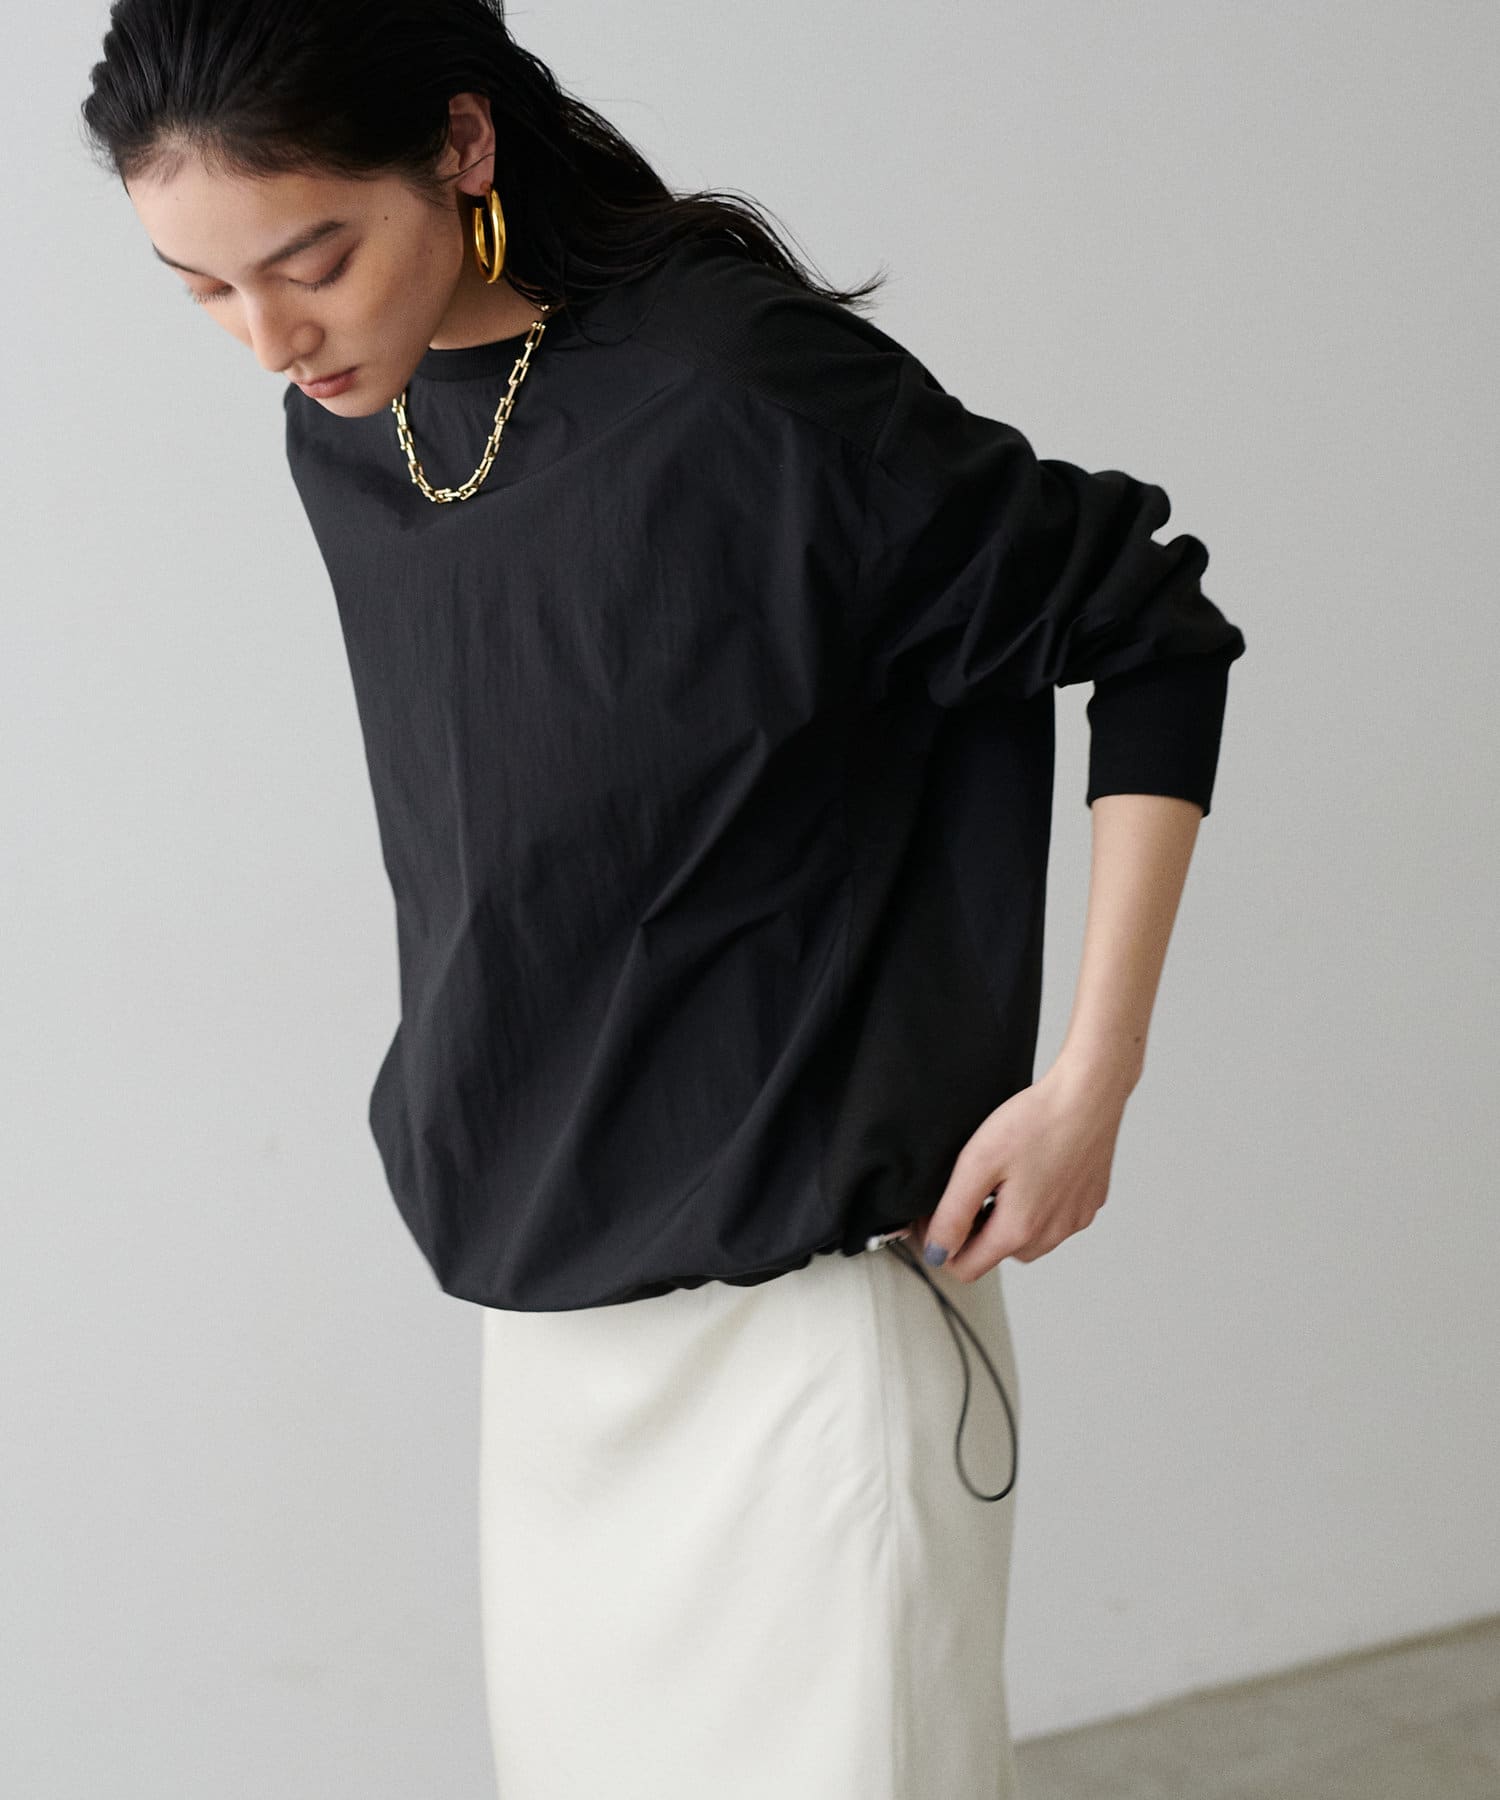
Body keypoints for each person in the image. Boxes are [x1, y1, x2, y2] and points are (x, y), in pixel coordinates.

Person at [83, 3, 1247, 1795]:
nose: (270, 338)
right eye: (203, 290)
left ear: (462, 146)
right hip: (551, 1345)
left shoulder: (736, 388)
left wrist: (1094, 1081)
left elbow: (1148, 627)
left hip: (805, 1340)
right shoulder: (352, 432)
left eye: (310, 262)